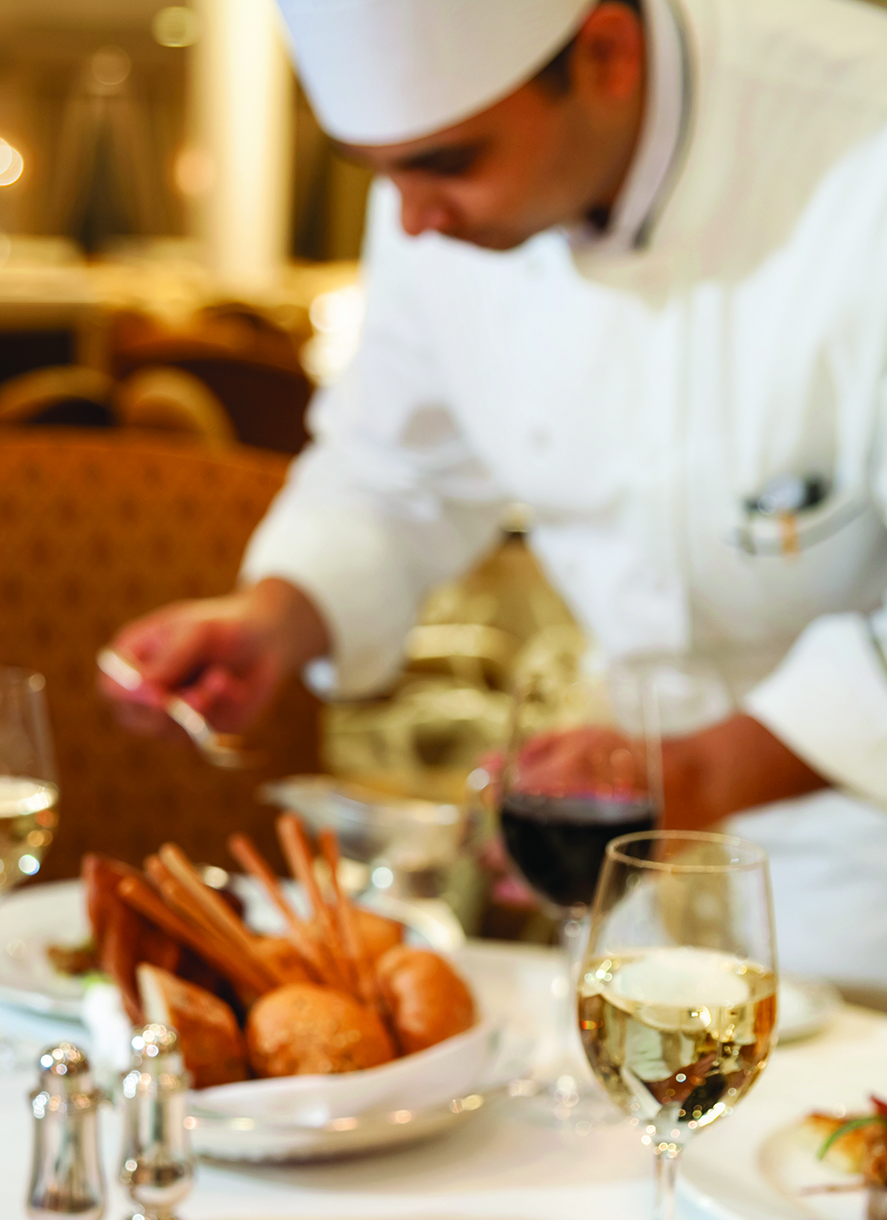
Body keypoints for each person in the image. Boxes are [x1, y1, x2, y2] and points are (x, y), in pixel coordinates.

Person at [99, 0, 887, 986]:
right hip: (639, 862)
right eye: (376, 173)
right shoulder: (432, 198)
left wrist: (709, 770)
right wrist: (276, 615)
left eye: (445, 163)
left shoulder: (864, 139)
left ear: (604, 53)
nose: (411, 221)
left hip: (868, 868)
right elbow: (397, 465)